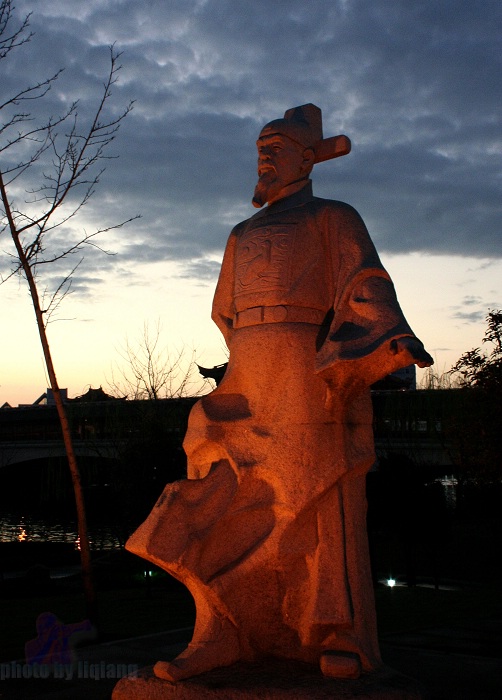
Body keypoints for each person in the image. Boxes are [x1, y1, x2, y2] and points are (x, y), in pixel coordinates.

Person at [127, 104, 433, 682]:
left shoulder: (333, 218)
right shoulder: (240, 235)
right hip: (246, 371)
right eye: (260, 147)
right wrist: (250, 356)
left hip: (302, 366)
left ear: (308, 157)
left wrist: (388, 337)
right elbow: (224, 313)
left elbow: (365, 282)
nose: (265, 155)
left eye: (278, 146)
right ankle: (222, 627)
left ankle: (335, 631)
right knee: (218, 484)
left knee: (315, 496)